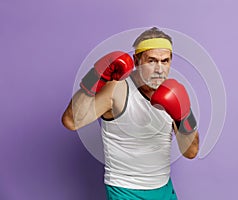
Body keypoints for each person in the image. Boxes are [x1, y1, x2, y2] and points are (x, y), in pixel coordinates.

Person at [62, 27, 199, 200]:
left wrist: (185, 116)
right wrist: (96, 77)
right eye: (151, 61)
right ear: (136, 60)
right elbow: (71, 121)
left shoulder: (174, 93)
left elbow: (191, 151)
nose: (159, 69)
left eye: (165, 61)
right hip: (126, 191)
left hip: (164, 189)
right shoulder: (117, 89)